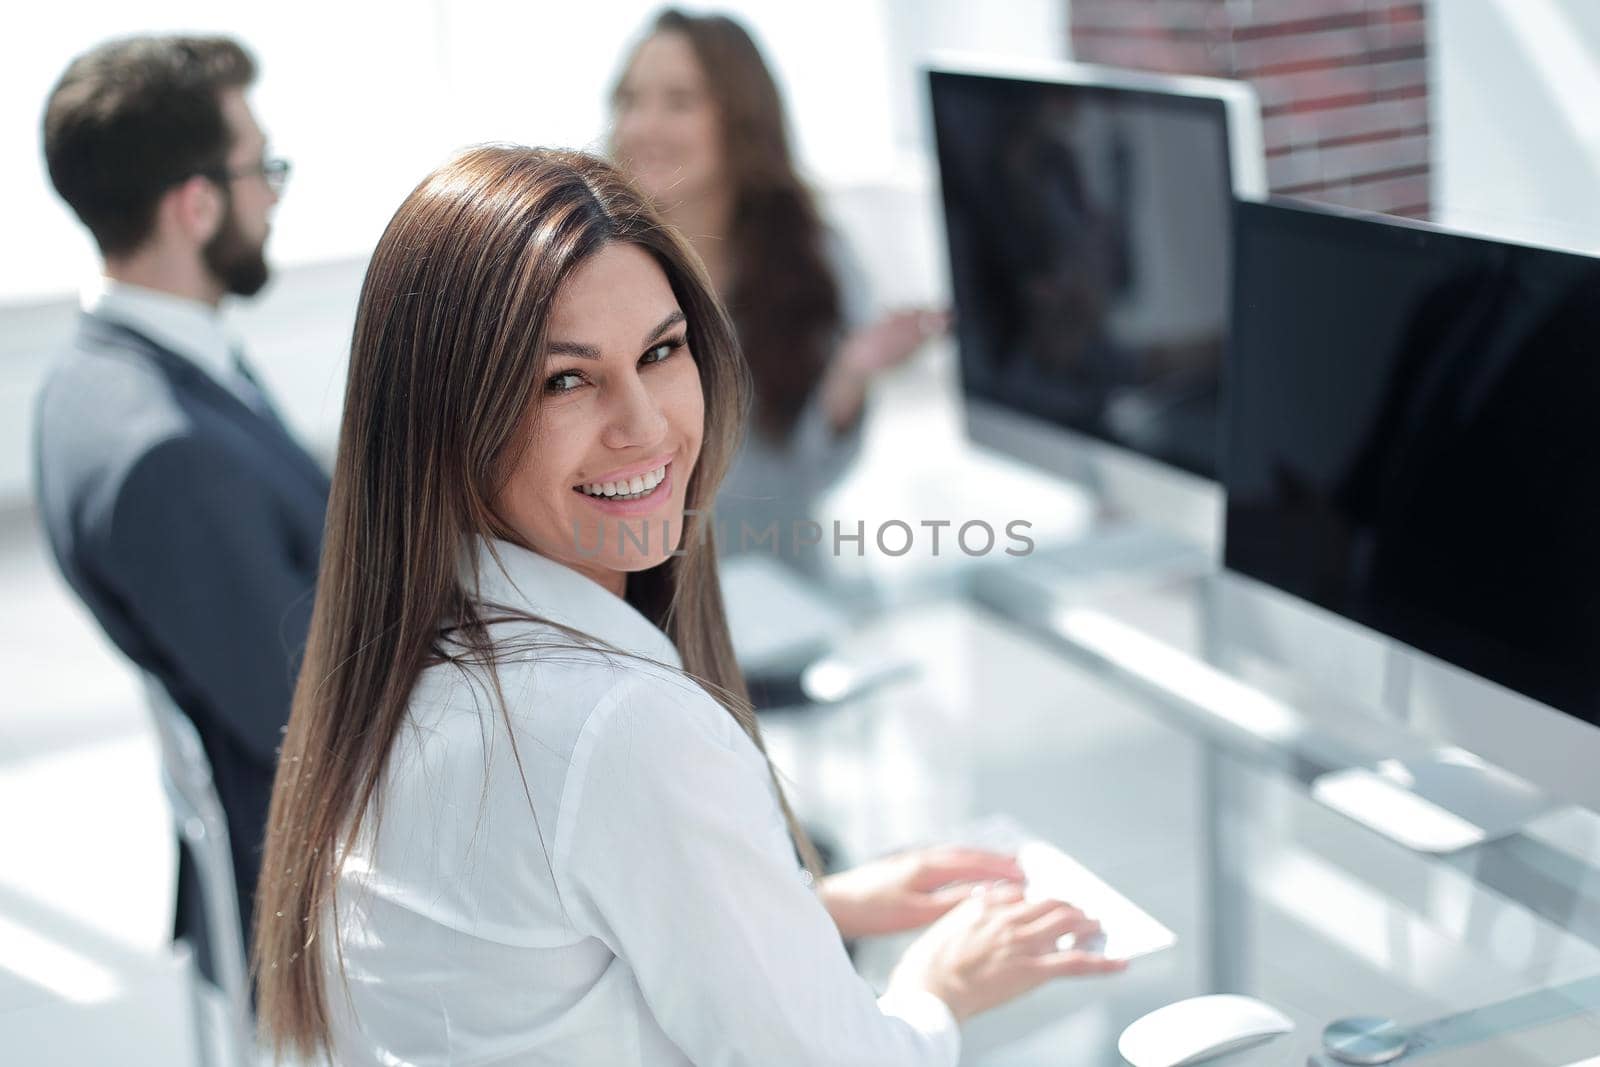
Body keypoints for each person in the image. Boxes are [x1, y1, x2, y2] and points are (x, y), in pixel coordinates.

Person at [252, 146, 1122, 1066]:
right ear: (446, 418)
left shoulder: (410, 658)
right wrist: (938, 991)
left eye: (661, 353)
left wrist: (793, 910)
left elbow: (528, 944)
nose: (645, 425)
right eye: (566, 379)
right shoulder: (618, 730)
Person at [33, 35, 327, 979]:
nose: (274, 195)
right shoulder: (169, 451)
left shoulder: (98, 375)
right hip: (327, 901)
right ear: (197, 205)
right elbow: (315, 729)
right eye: (262, 170)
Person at [610, 9, 946, 567]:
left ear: (742, 121)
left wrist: (852, 374)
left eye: (678, 101)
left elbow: (802, 480)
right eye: (629, 101)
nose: (643, 126)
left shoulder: (816, 259)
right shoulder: (592, 269)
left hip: (774, 577)